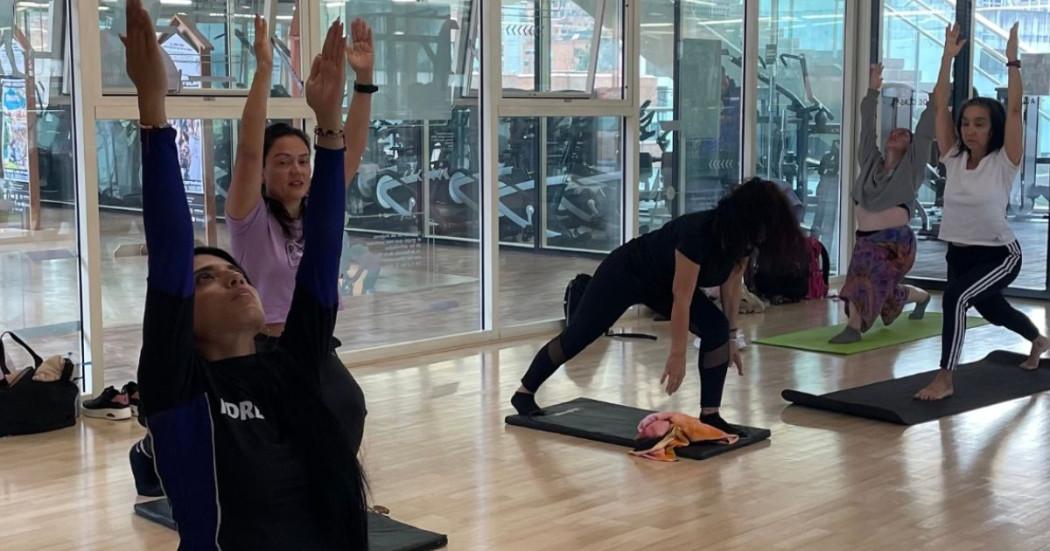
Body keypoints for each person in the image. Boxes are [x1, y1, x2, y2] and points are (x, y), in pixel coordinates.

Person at [124, 2, 367, 548]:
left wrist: (330, 123)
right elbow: (169, 250)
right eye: (207, 279)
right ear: (180, 320)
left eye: (233, 272)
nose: (235, 279)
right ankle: (145, 455)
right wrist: (153, 107)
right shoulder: (182, 389)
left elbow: (325, 251)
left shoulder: (292, 368)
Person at [511, 178, 807, 434]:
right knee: (580, 335)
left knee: (716, 328)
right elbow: (682, 298)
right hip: (628, 272)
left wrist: (731, 336)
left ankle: (711, 415)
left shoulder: (743, 242)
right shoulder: (699, 234)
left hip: (663, 284)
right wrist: (677, 354)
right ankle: (524, 393)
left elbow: (731, 288)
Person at [224, 14, 376, 452]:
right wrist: (264, 71)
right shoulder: (248, 217)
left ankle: (335, 494)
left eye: (303, 160)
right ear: (265, 172)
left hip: (313, 342)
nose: (296, 169)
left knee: (348, 405)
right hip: (264, 349)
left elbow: (354, 144)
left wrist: (363, 79)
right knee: (284, 430)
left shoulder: (319, 213)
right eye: (283, 161)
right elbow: (250, 147)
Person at [916, 23, 1048, 400]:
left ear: (992, 129)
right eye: (965, 124)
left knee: (955, 298)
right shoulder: (953, 158)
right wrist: (946, 57)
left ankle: (944, 378)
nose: (970, 130)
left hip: (999, 254)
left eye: (979, 124)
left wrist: (1013, 61)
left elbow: (1015, 110)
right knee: (992, 309)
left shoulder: (1005, 162)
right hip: (960, 251)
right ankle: (1039, 340)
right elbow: (939, 104)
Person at [829, 63, 933, 344]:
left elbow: (925, 129)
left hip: (894, 243)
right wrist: (872, 90)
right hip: (865, 240)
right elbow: (866, 129)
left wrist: (937, 95)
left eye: (903, 135)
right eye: (893, 132)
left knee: (865, 286)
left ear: (910, 147)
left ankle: (852, 330)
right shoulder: (871, 164)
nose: (895, 134)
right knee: (880, 293)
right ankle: (920, 297)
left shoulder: (911, 170)